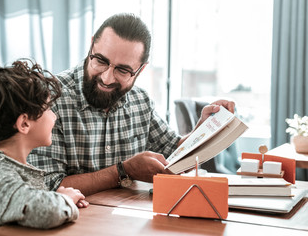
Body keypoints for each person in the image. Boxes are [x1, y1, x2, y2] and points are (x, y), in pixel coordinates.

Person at [28, 13, 235, 196]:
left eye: (123, 70)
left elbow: (173, 153)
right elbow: (47, 186)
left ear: (141, 70)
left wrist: (202, 130)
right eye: (100, 60)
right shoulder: (49, 98)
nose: (107, 78)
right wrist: (123, 171)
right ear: (91, 45)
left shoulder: (140, 100)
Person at [0, 59, 89, 235]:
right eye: (48, 109)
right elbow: (43, 212)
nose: (54, 116)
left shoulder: (20, 169)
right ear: (24, 124)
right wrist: (63, 199)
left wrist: (57, 198)